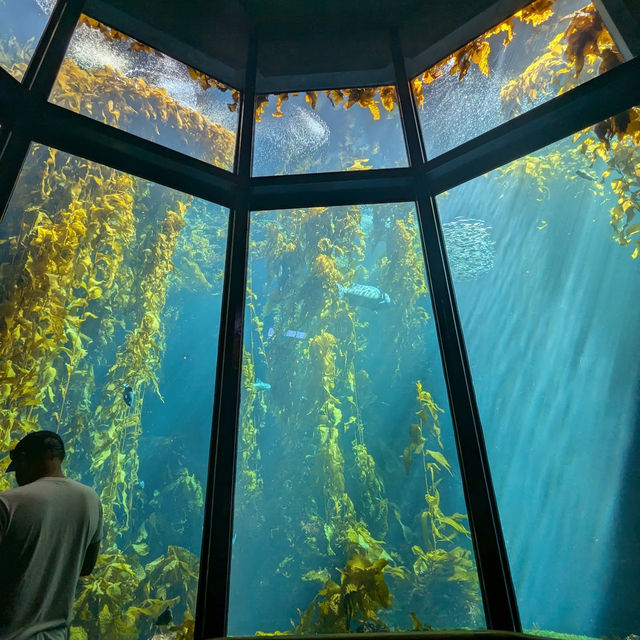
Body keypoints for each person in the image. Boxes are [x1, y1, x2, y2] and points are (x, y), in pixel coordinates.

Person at [0, 430, 103, 640]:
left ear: (24, 459)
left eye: (17, 468)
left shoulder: (8, 503)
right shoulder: (91, 500)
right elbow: (86, 567)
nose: (17, 476)